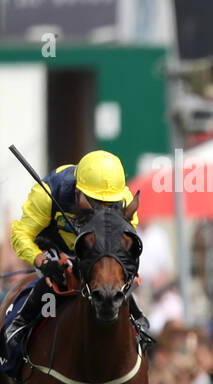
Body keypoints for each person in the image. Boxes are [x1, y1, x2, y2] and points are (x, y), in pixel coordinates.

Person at [4, 150, 151, 372]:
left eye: (108, 203)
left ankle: (136, 319)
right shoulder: (50, 191)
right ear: (78, 190)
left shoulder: (125, 200)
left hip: (96, 252)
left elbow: (125, 244)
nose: (103, 209)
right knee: (55, 283)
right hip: (54, 247)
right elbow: (21, 233)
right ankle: (19, 324)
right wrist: (41, 260)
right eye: (94, 201)